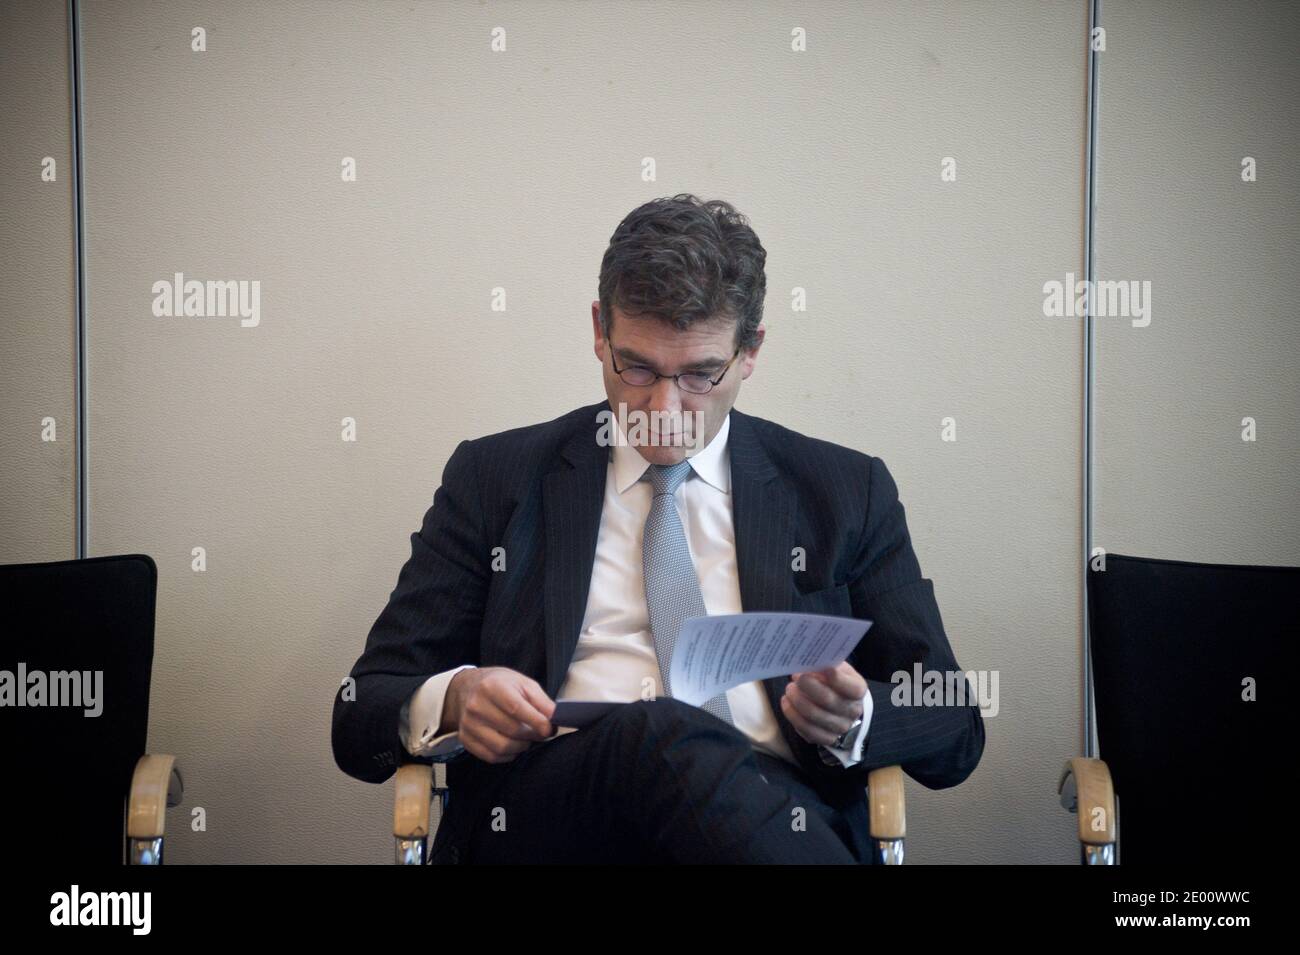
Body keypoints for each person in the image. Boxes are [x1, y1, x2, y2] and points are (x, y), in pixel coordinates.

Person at [331, 194, 984, 863]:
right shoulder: (494, 478)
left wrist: (859, 718)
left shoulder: (844, 490)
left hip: (772, 813)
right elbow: (360, 711)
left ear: (750, 350)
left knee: (679, 747)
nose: (664, 407)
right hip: (548, 815)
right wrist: (454, 698)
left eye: (701, 374)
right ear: (598, 331)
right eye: (636, 366)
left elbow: (956, 725)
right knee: (656, 732)